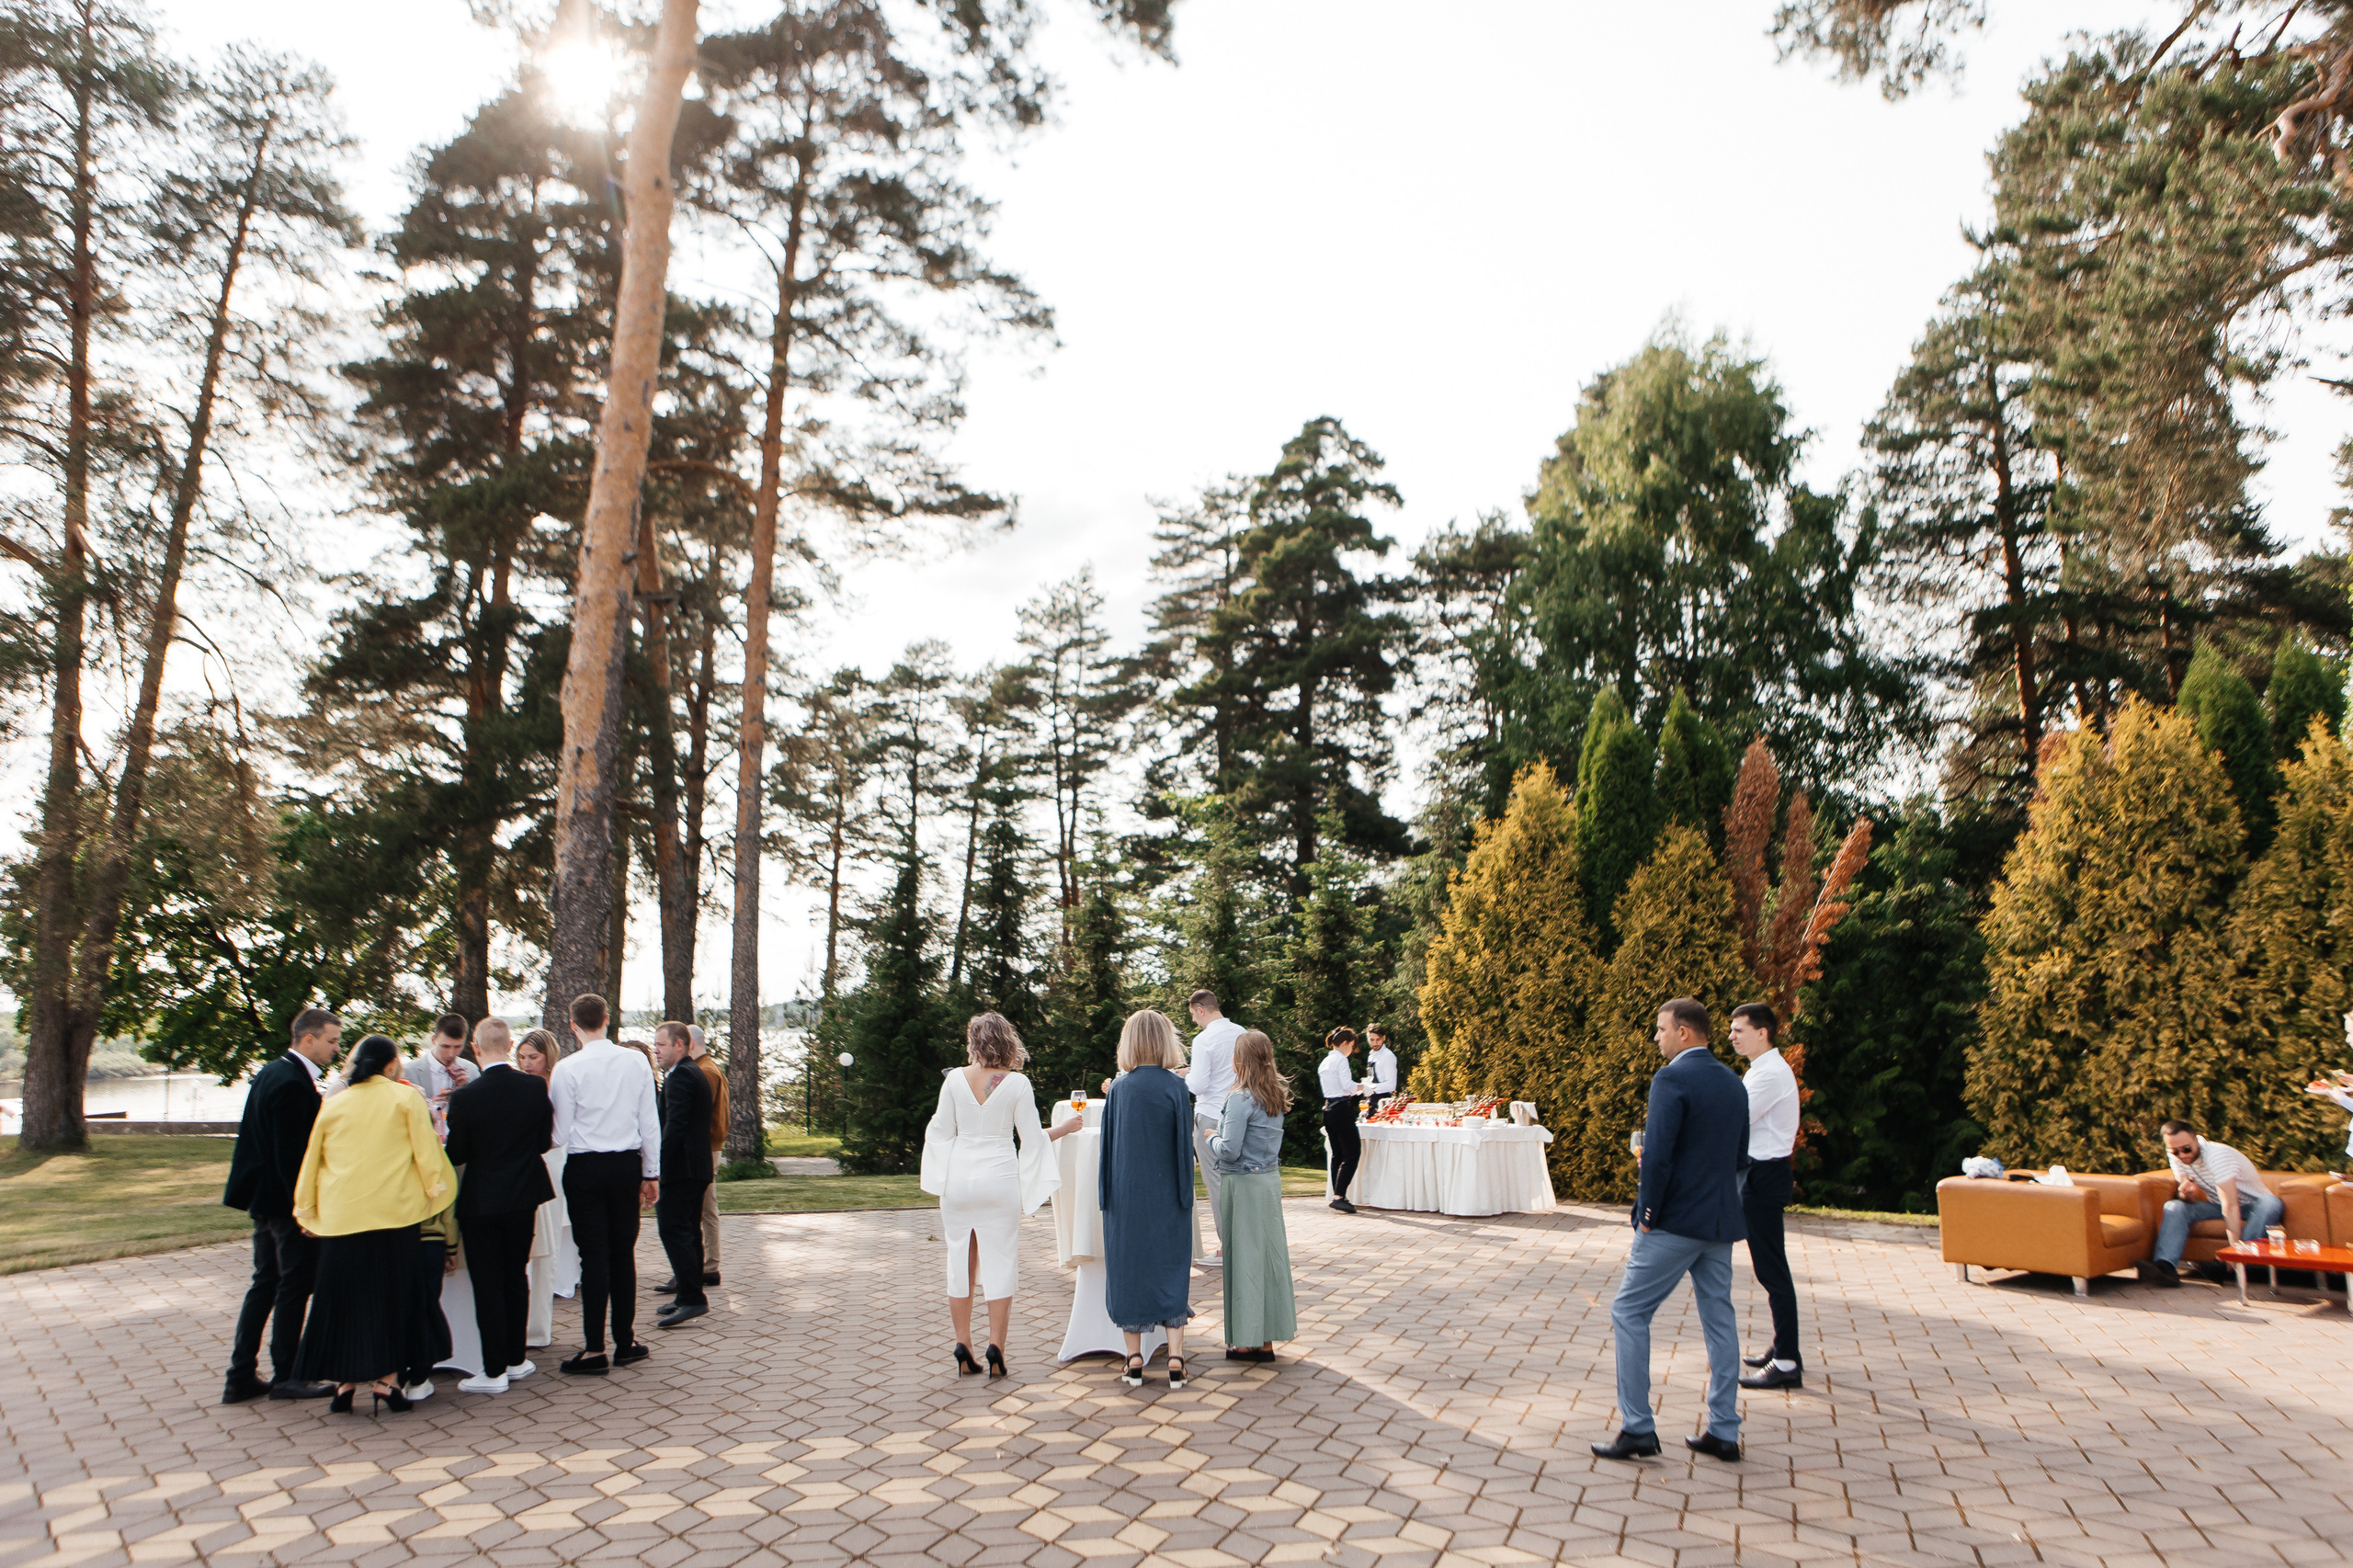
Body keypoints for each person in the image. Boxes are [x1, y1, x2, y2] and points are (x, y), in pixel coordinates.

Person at [1594, 998, 1749, 1464]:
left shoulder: (1671, 1078)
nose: (1656, 1037)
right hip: (1720, 1221)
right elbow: (1741, 1157)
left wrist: (1647, 1210)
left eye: (1661, 1029)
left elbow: (1658, 1155)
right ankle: (1724, 1429)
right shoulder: (1733, 1082)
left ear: (1684, 1032)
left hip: (1675, 1220)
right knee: (1719, 1319)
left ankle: (1638, 1426)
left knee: (1628, 1311)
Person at [289, 1035, 459, 1415]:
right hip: (393, 1215)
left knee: (343, 1300)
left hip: (341, 1217)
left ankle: (344, 1384)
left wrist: (306, 1208)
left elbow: (313, 1159)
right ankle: (387, 1382)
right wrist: (439, 1192)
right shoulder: (405, 1098)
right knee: (392, 1299)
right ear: (390, 1065)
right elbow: (427, 1155)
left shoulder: (335, 1103)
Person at [919, 1013, 1075, 1377]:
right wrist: (1065, 1130)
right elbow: (1032, 1139)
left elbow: (939, 1132)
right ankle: (996, 1346)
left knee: (960, 1261)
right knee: (999, 1262)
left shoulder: (954, 1080)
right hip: (999, 1179)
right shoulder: (1018, 1084)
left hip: (959, 1182)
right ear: (1008, 1041)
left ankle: (963, 1343)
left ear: (974, 1041)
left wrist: (941, 1174)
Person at [221, 1007, 344, 1403]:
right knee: (293, 1285)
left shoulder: (272, 1072)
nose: (336, 1050)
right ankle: (288, 1374)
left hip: (263, 1199)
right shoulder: (292, 1082)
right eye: (332, 1041)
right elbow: (292, 1159)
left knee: (265, 1284)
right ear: (308, 1040)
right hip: (283, 1204)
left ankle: (240, 1375)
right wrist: (305, 1211)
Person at [549, 994, 662, 1374]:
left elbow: (559, 1132)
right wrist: (651, 1173)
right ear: (608, 1019)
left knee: (592, 1256)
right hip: (626, 1167)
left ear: (572, 1024)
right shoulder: (636, 1061)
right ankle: (625, 1341)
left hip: (584, 1168)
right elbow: (650, 1123)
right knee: (622, 1254)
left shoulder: (567, 1069)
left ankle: (594, 1348)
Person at [443, 1017, 554, 1393]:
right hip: (524, 1194)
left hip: (483, 1199)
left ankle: (493, 1371)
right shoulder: (534, 1088)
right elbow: (542, 1142)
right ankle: (515, 1357)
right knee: (514, 1275)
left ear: (475, 1048)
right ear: (509, 1046)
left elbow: (456, 1153)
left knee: (488, 1283)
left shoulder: (466, 1097)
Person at [1102, 1009, 1197, 1389]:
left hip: (1126, 1195)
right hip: (1168, 1193)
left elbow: (1108, 1149)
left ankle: (1135, 1358)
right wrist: (1184, 1196)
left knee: (1129, 1271)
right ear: (1165, 1041)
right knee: (1171, 1266)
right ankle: (1175, 1358)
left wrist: (1105, 1196)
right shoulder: (1176, 1087)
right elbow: (1182, 1148)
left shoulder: (1120, 1088)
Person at [1208, 1029, 1297, 1362]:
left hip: (1243, 1187)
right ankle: (1267, 1341)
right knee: (1270, 1260)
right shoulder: (1275, 1096)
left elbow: (1229, 1151)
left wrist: (1211, 1136)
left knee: (1244, 1260)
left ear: (1239, 1061)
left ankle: (1245, 1341)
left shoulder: (1240, 1099)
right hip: (1269, 1184)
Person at [1728, 1002, 1802, 1391]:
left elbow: (1737, 1119)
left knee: (1772, 1270)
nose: (1732, 1036)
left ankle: (1787, 1362)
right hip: (1758, 1173)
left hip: (1763, 1175)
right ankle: (1783, 1348)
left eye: (1739, 1030)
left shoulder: (1769, 1074)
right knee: (1770, 1268)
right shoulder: (1762, 1070)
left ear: (1763, 1033)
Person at [2146, 1120, 2286, 1287]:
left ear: (2196, 1140)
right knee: (2174, 1206)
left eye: (2186, 1149)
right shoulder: (2175, 1155)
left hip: (2253, 1206)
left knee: (2271, 1203)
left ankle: (2234, 1266)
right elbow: (2187, 1197)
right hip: (2216, 1205)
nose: (2182, 1155)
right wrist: (2186, 1194)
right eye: (2175, 1152)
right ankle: (2165, 1269)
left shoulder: (2217, 1156)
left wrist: (2232, 1250)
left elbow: (2231, 1205)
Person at [513, 1028, 577, 1348]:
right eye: (522, 1056)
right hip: (523, 1165)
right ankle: (518, 1322)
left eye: (533, 1057)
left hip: (551, 1162)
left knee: (547, 1249)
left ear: (547, 1056)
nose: (527, 1063)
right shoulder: (521, 1084)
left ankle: (538, 1328)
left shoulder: (559, 1084)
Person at [653, 1022, 726, 1296]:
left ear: (681, 1045)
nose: (655, 1050)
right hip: (696, 1159)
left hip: (688, 1162)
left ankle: (693, 1286)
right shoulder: (695, 1071)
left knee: (681, 1227)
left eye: (661, 1045)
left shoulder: (688, 1074)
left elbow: (676, 1125)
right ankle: (691, 1286)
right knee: (692, 1225)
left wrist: (657, 1165)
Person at [1183, 991, 1244, 1263]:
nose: (1195, 1021)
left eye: (1194, 1015)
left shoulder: (1203, 1039)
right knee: (1239, 1183)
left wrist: (1179, 1077)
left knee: (1218, 1184)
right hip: (1240, 1112)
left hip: (1210, 1116)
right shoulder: (1241, 1033)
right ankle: (1244, 1243)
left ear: (1200, 1010)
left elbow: (1198, 1086)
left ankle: (1227, 1249)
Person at [1318, 1028, 1364, 1214]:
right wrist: (1364, 1087)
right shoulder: (1341, 1059)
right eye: (1352, 1047)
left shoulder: (1325, 1061)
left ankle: (1337, 1194)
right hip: (1341, 1109)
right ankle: (1339, 1196)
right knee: (1352, 1152)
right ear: (1345, 1043)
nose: (1351, 1051)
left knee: (1337, 1153)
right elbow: (1348, 1086)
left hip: (1328, 1109)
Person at [412, 1015, 479, 1140]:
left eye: (458, 1047)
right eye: (445, 1046)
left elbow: (479, 1116)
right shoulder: (409, 1072)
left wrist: (464, 1091)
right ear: (434, 1040)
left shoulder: (472, 1070)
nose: (451, 1054)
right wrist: (429, 1107)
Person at [1361, 1025, 1399, 1116]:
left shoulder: (1388, 1056)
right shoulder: (1371, 1056)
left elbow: (1391, 1085)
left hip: (1384, 1103)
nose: (1375, 1043)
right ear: (1368, 1039)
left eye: (1378, 1039)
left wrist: (1370, 1088)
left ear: (1384, 1038)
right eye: (1372, 1040)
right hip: (1371, 1101)